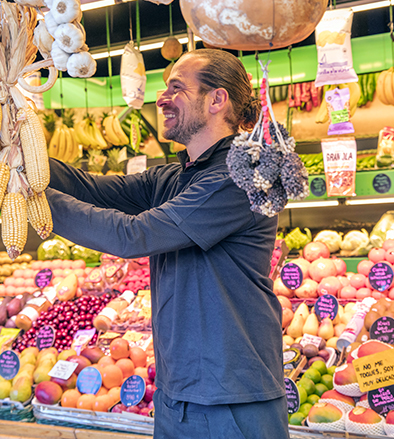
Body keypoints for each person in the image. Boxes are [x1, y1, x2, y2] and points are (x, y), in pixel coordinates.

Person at [45, 49, 289, 438]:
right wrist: (19, 158)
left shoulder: (237, 178)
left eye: (176, 88)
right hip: (179, 396)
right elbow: (88, 188)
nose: (161, 98)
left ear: (216, 99)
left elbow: (132, 235)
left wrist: (31, 202)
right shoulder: (175, 178)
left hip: (232, 400)